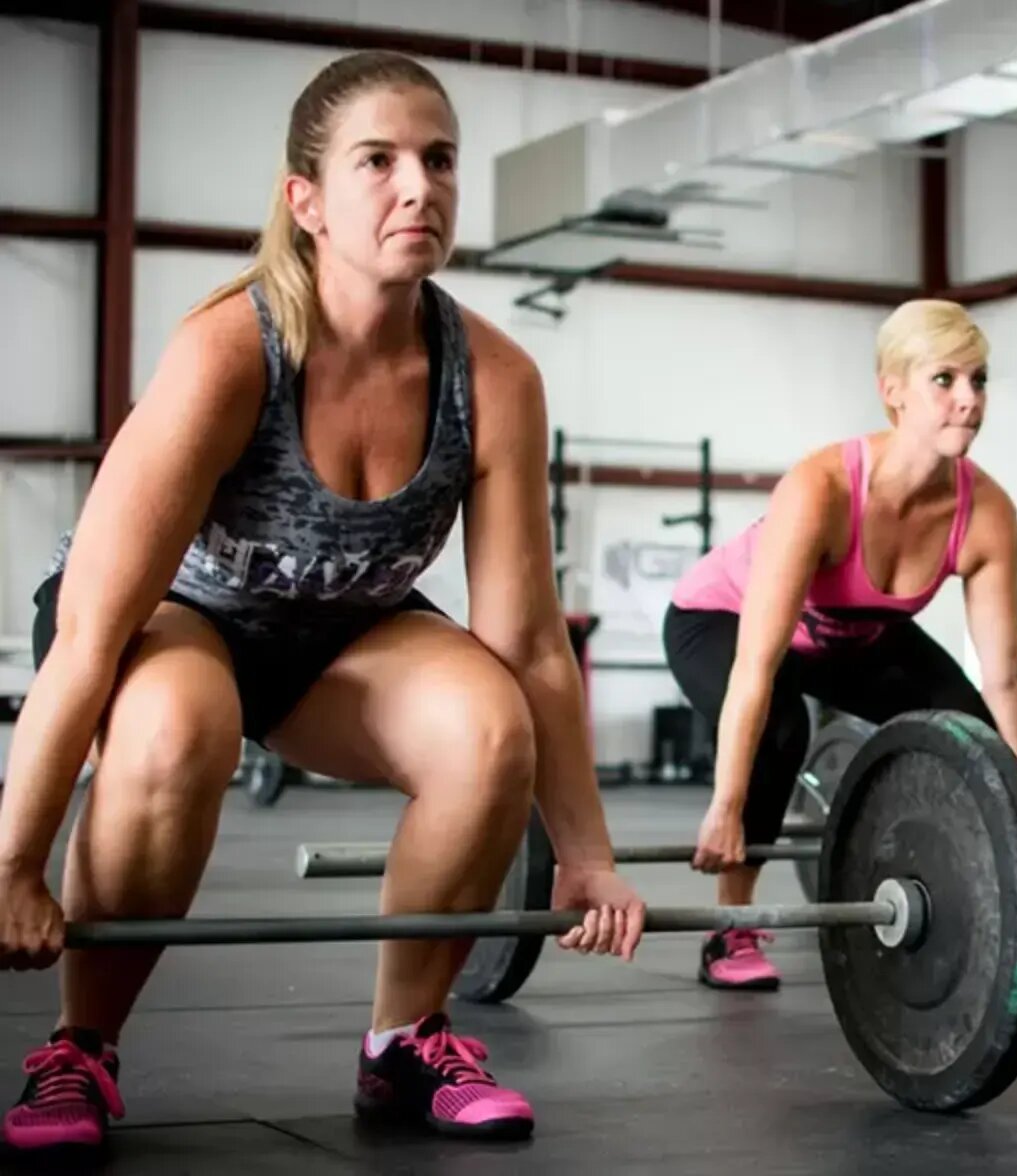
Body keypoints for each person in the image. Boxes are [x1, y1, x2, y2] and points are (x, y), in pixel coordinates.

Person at [0, 51, 644, 1155]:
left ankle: (404, 1042)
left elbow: (527, 639)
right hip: (175, 617)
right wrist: (13, 863)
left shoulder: (492, 378)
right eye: (378, 161)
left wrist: (584, 851)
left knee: (490, 728)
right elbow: (93, 632)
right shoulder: (227, 353)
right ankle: (78, 1050)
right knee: (172, 727)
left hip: (340, 631)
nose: (418, 187)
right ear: (306, 200)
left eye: (438, 160)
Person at [663, 299, 1017, 991]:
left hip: (856, 635)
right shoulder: (823, 488)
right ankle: (729, 931)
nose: (968, 401)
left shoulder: (986, 512)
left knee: (968, 732)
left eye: (979, 380)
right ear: (891, 390)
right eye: (945, 380)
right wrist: (726, 803)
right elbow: (756, 662)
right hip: (720, 622)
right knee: (780, 726)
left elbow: (1007, 675)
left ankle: (971, 888)